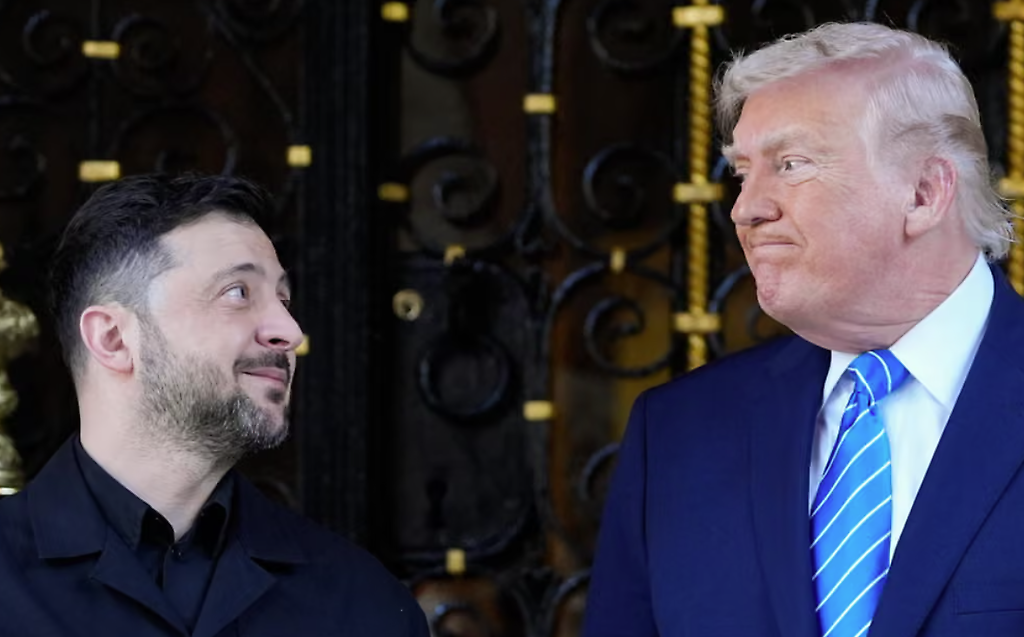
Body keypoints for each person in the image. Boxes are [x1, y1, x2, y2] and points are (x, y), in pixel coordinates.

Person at [583, 21, 1024, 637]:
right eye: (743, 173)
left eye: (790, 165)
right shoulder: (678, 434)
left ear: (924, 193)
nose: (745, 208)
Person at [0, 174, 429, 637]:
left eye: (283, 299)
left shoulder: (362, 603)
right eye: (238, 292)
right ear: (114, 338)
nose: (289, 331)